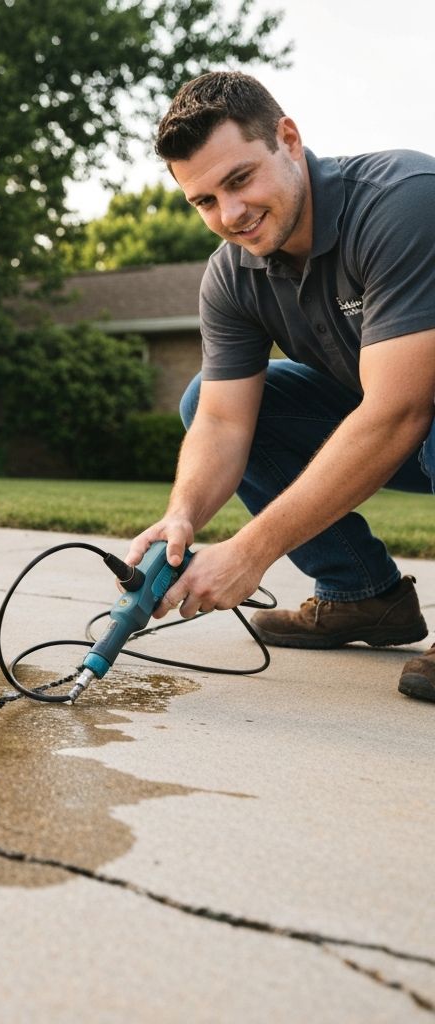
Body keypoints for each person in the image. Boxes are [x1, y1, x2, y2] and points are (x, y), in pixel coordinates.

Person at [123, 70, 435, 702]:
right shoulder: (231, 277)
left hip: (414, 415)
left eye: (239, 179)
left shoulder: (404, 201)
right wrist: (181, 517)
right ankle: (361, 597)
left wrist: (249, 551)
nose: (230, 215)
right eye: (204, 202)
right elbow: (222, 422)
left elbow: (399, 410)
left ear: (288, 139)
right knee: (204, 398)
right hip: (412, 433)